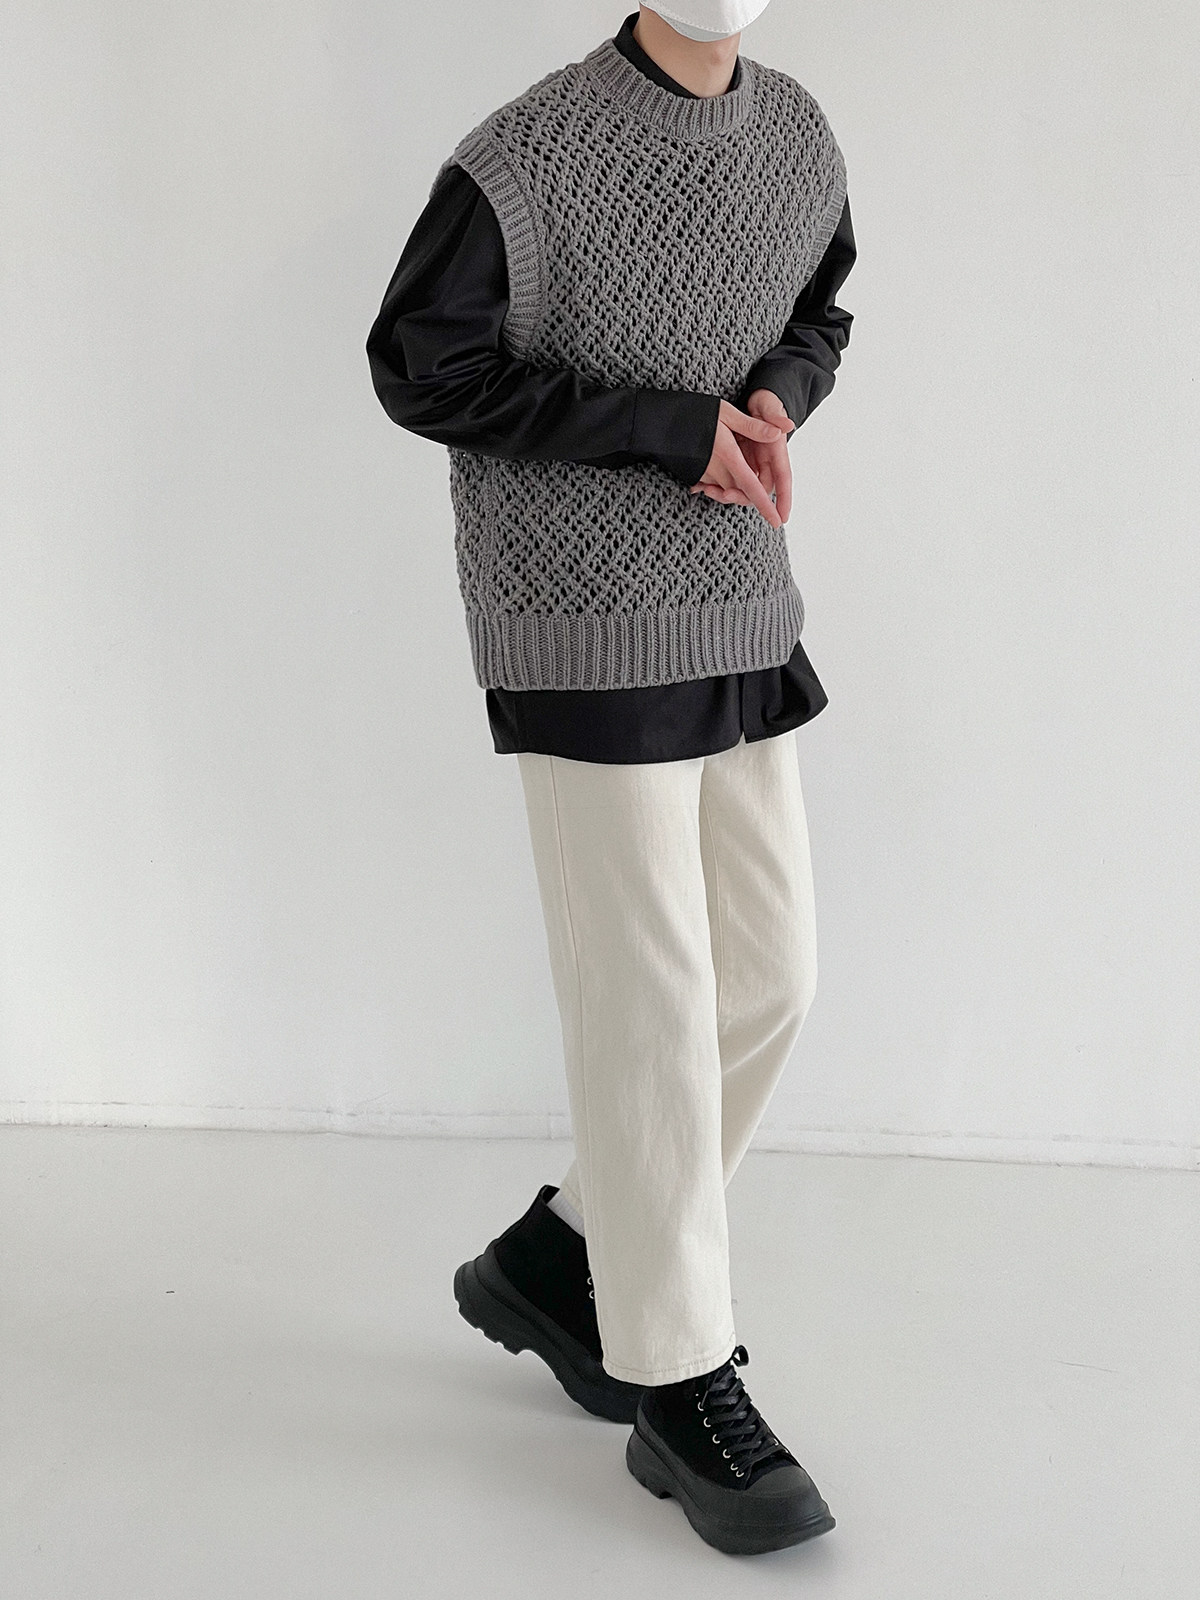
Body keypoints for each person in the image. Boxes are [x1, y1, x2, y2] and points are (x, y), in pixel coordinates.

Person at [366, 0, 855, 1556]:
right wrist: (664, 432)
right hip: (578, 614)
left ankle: (565, 1258)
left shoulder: (798, 135)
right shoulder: (526, 155)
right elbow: (418, 363)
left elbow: (820, 307)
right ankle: (678, 1373)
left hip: (737, 599)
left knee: (771, 978)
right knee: (650, 999)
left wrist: (776, 398)